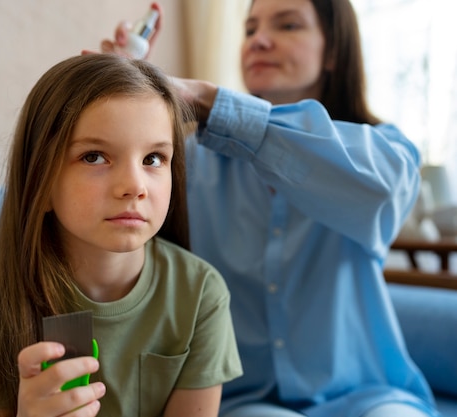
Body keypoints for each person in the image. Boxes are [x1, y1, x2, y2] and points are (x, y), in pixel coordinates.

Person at [99, 0, 440, 416]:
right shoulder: (188, 165)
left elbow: (382, 191)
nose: (258, 41)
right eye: (249, 29)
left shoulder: (382, 151)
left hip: (368, 395)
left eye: (288, 25)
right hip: (249, 400)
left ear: (333, 51)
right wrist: (123, 106)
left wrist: (206, 100)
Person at [0, 53, 242, 417]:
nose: (134, 186)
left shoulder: (201, 294)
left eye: (153, 159)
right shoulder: (15, 287)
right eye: (94, 157)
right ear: (39, 184)